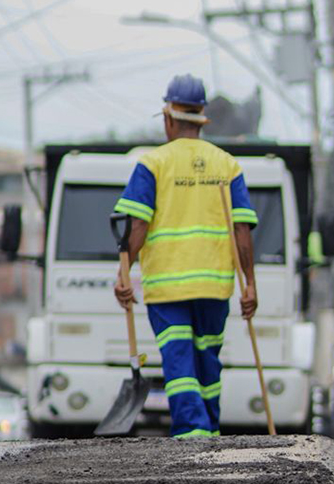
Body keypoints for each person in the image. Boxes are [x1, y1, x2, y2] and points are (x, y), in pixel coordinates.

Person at [113, 74, 259, 439]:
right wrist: (251, 284)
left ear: (168, 117)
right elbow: (242, 229)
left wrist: (123, 273)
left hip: (168, 288)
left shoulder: (153, 164)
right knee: (208, 362)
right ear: (202, 119)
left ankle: (192, 435)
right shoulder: (227, 165)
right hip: (214, 286)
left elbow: (138, 226)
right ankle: (208, 431)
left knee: (179, 361)